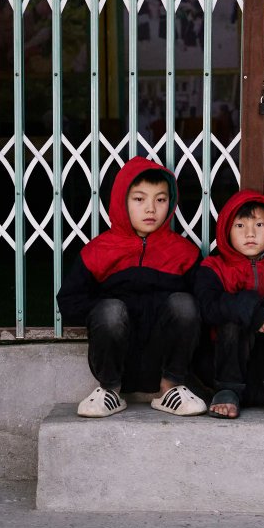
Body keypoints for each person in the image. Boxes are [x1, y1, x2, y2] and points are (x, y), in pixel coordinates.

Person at [56, 156, 207, 418]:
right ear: (121, 201)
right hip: (118, 356)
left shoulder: (184, 253)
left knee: (186, 303)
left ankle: (170, 390)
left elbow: (206, 302)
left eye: (160, 200)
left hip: (166, 358)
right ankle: (110, 392)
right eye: (139, 199)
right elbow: (69, 301)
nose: (151, 209)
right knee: (111, 311)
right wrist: (108, 310)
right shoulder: (99, 251)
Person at [194, 190, 264, 420]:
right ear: (227, 231)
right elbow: (207, 308)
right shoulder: (214, 266)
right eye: (239, 226)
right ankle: (228, 389)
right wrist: (253, 312)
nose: (250, 233)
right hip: (227, 371)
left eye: (259, 225)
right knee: (230, 307)